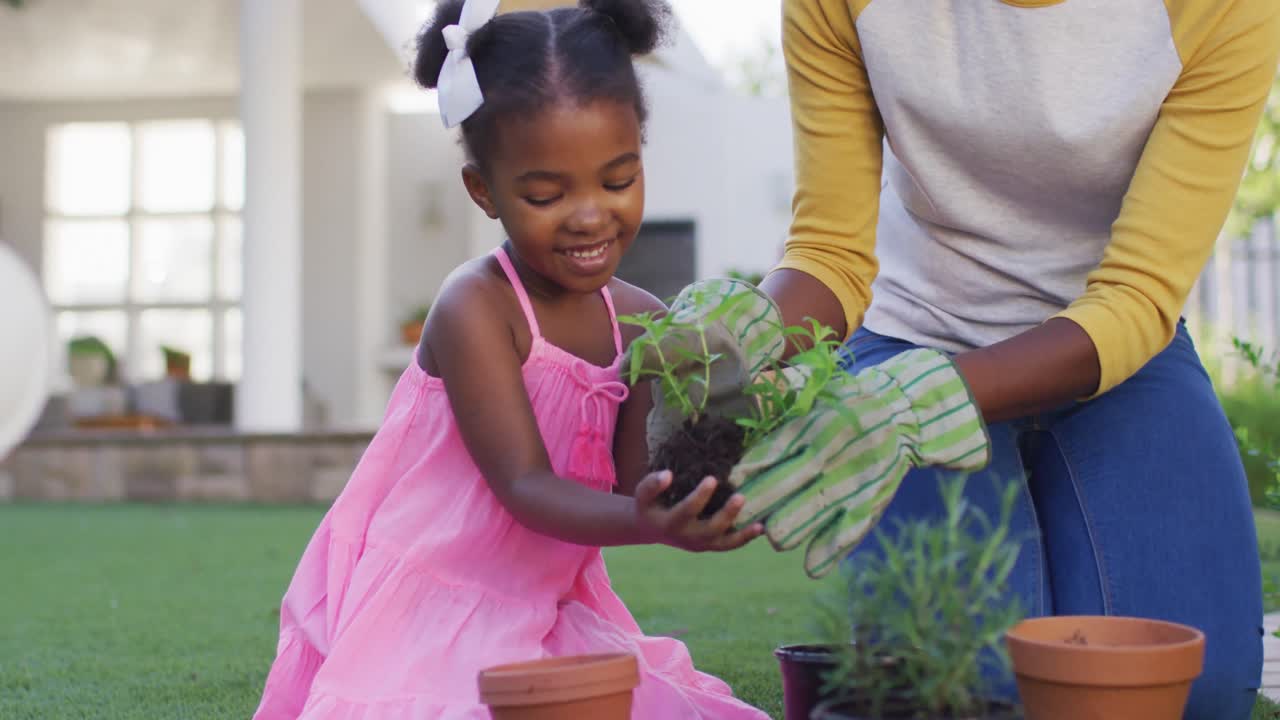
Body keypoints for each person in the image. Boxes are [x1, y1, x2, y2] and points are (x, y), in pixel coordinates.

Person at [633, 1, 1280, 718]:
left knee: (1190, 687)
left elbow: (1137, 295)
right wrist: (752, 325)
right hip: (912, 332)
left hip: (1118, 355)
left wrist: (920, 405)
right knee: (963, 689)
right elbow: (832, 252)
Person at [250, 1, 769, 717]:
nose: (589, 214)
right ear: (484, 191)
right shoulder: (477, 309)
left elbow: (628, 482)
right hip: (428, 604)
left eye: (617, 180)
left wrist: (709, 500)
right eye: (546, 194)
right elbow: (524, 486)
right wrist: (648, 521)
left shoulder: (643, 322)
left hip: (548, 605)